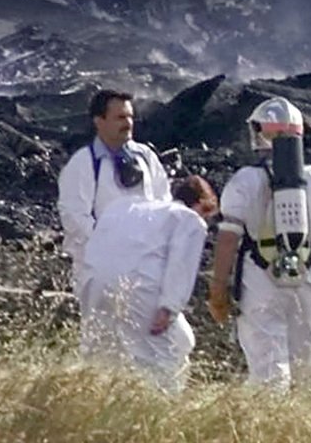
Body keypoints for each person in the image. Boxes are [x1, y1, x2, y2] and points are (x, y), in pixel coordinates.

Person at [206, 96, 311, 389]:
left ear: (261, 134)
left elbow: (228, 238)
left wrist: (218, 288)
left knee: (267, 366)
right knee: (310, 358)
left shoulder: (244, 180)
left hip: (262, 277)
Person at [78, 175, 218, 392]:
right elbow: (181, 265)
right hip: (139, 286)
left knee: (104, 358)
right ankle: (162, 415)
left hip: (94, 284)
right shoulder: (189, 219)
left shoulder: (123, 207)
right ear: (200, 204)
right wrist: (169, 308)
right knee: (165, 359)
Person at [57, 89, 171, 296]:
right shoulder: (83, 163)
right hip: (101, 274)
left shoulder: (146, 157)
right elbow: (74, 215)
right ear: (99, 121)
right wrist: (110, 247)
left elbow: (163, 203)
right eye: (120, 117)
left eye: (130, 117)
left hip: (145, 270)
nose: (128, 123)